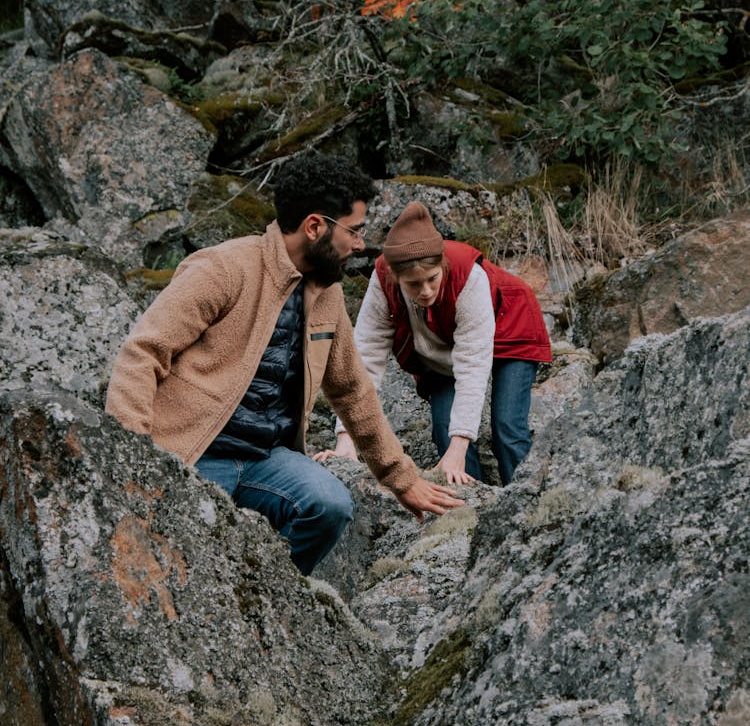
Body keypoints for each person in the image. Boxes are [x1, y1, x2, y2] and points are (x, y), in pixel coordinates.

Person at [105, 155, 462, 575]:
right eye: (355, 231)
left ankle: (267, 600)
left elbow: (352, 390)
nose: (361, 245)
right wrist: (133, 457)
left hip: (267, 458)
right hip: (193, 453)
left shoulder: (326, 294)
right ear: (315, 227)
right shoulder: (224, 268)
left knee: (329, 506)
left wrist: (403, 480)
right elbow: (143, 352)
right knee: (183, 557)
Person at [324, 201, 551, 486]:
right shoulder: (383, 280)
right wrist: (346, 437)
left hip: (511, 323)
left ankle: (525, 506)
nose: (426, 291)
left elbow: (472, 366)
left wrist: (461, 446)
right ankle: (469, 513)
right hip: (441, 346)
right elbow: (364, 357)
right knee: (445, 429)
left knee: (506, 428)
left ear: (442, 265)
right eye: (413, 285)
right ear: (395, 278)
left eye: (432, 279)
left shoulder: (469, 279)